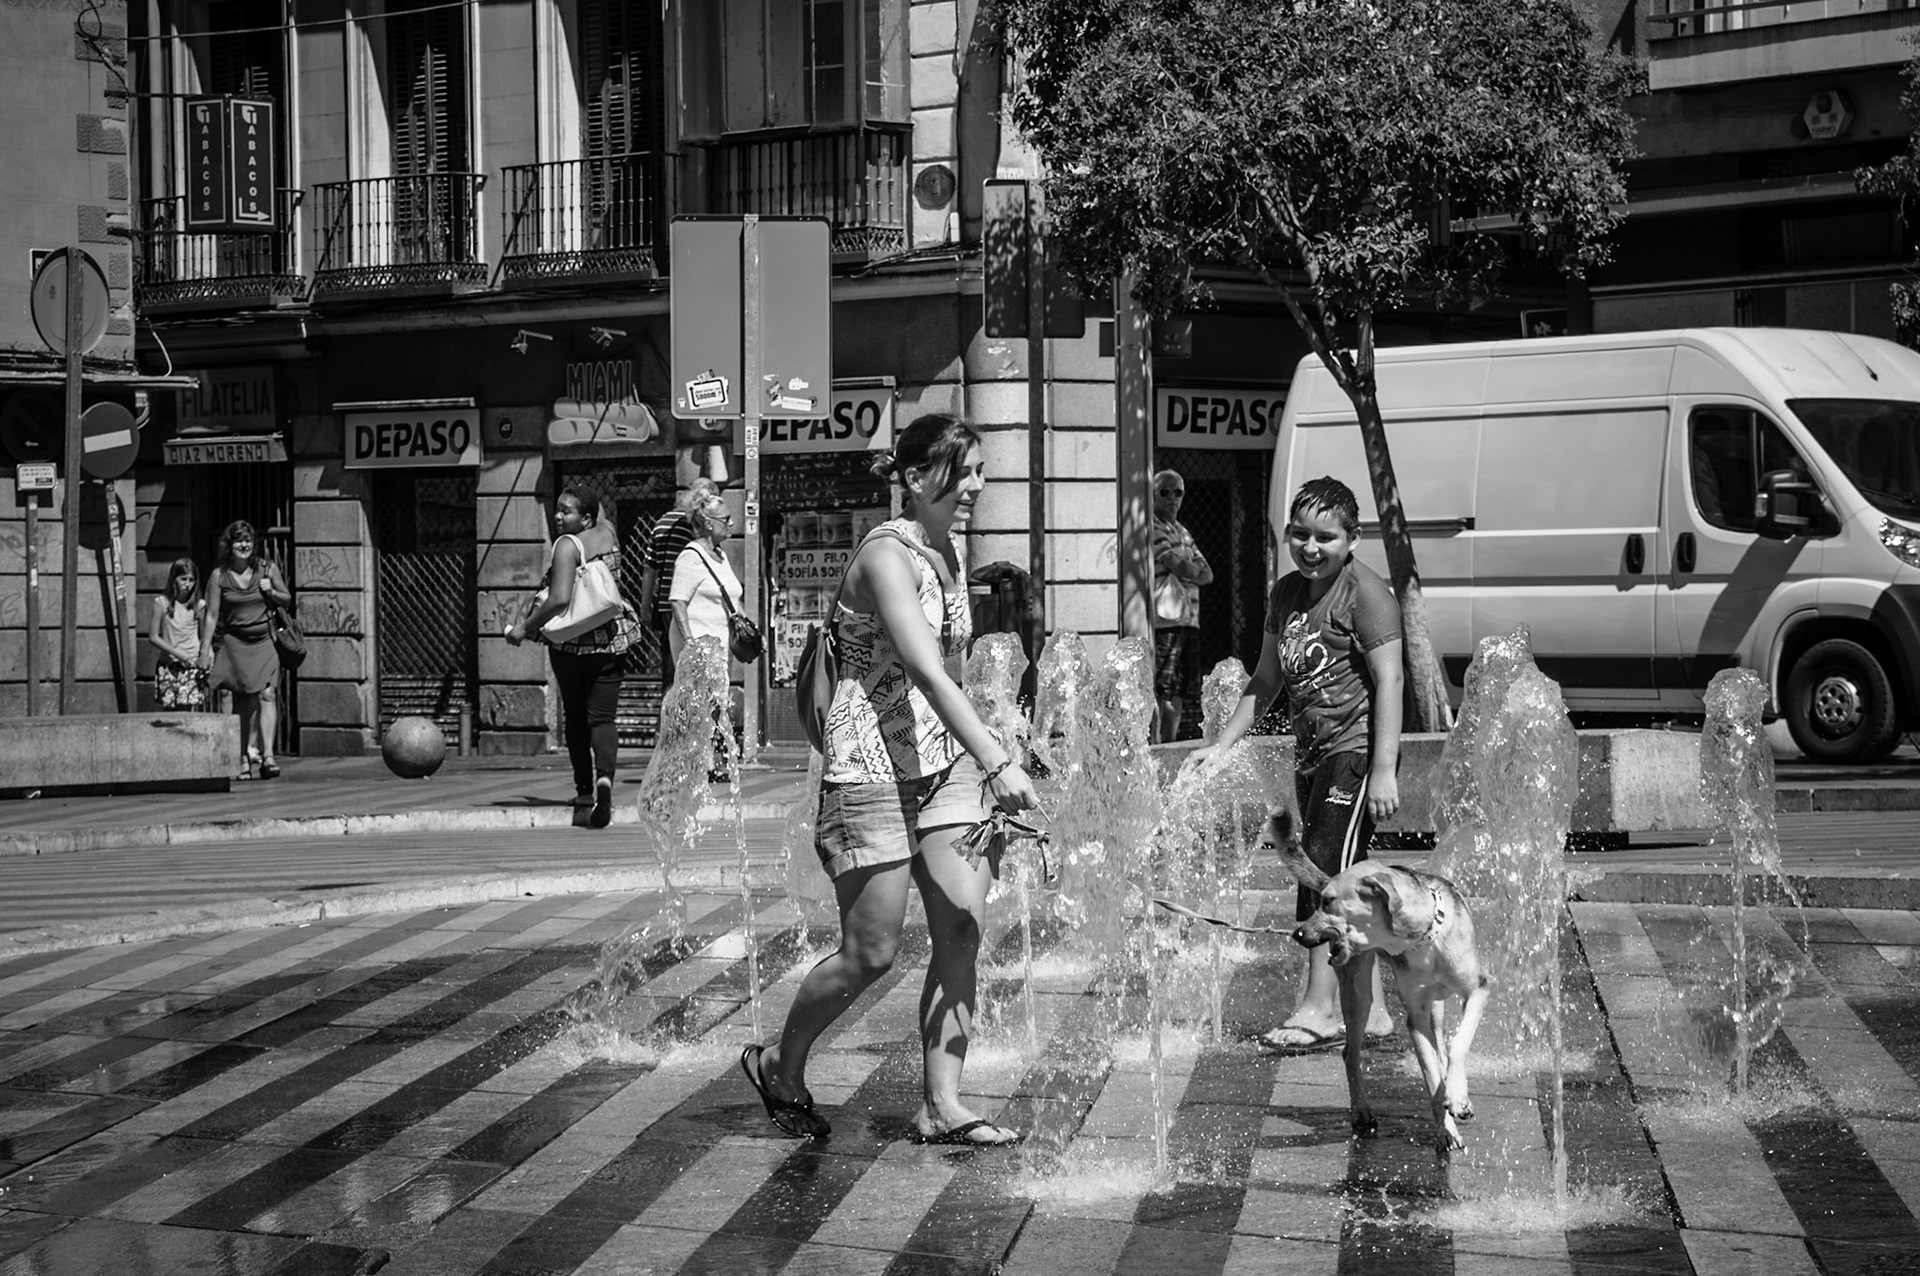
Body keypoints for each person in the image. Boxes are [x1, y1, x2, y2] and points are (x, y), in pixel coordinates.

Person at [741, 411, 1040, 1147]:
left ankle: (942, 1105)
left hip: (944, 770)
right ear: (915, 477)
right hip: (867, 773)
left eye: (980, 472)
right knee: (870, 953)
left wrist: (1002, 738)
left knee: (961, 930)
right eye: (963, 471)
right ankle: (781, 1063)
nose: (976, 485)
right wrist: (997, 765)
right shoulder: (885, 555)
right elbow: (925, 670)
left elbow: (958, 671)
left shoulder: (950, 550)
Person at [1185, 476, 1402, 1053]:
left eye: (1325, 537)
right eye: (1299, 534)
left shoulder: (1367, 594)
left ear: (1352, 539)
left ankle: (1321, 1009)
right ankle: (1373, 1010)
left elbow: (1390, 680)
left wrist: (1383, 770)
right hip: (1315, 757)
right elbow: (1265, 679)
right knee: (1339, 875)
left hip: (1353, 756)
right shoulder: (1286, 595)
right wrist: (1222, 743)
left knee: (1323, 875)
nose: (1310, 547)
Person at [506, 486, 634, 829]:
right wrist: (589, 495)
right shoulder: (608, 534)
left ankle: (584, 791)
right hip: (611, 642)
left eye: (567, 512)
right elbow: (603, 511)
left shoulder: (566, 546)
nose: (558, 516)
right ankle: (605, 781)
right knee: (603, 719)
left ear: (585, 518)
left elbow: (560, 599)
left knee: (577, 718)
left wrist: (524, 628)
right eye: (558, 510)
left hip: (572, 647)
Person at [198, 521, 289, 780]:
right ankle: (242, 759)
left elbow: (287, 598)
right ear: (229, 545)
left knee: (268, 695)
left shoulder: (267, 569)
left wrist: (272, 591)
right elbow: (212, 615)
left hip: (265, 641)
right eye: (238, 540)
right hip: (235, 643)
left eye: (248, 540)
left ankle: (268, 757)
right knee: (242, 701)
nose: (244, 545)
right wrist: (205, 649)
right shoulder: (219, 576)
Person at [1151, 468, 1212, 743]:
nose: (1172, 497)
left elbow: (1206, 573)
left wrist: (1188, 569)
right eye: (1165, 492)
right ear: (1153, 495)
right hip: (1168, 621)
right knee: (1166, 685)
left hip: (1189, 619)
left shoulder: (1181, 530)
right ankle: (1165, 744)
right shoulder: (1153, 527)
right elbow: (1180, 566)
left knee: (1182, 687)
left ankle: (1171, 744)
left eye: (1177, 492)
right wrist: (1189, 569)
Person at [642, 477, 719, 688]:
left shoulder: (661, 524)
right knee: (686, 669)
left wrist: (645, 607)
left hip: (666, 604)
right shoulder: (698, 527)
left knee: (670, 666)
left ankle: (669, 715)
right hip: (689, 606)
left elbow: (649, 569)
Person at [150, 557, 207, 712]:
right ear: (174, 579)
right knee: (169, 714)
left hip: (190, 664)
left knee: (186, 712)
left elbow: (204, 635)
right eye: (183, 579)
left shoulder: (199, 605)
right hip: (169, 664)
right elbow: (153, 636)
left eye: (191, 580)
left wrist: (205, 655)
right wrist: (176, 653)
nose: (187, 584)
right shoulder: (161, 603)